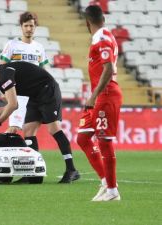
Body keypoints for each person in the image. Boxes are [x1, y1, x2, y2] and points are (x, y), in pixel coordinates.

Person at [0, 56, 80, 183]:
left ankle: (71, 170)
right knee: (28, 131)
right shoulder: (0, 80)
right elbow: (13, 104)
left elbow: (12, 105)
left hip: (47, 90)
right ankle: (31, 174)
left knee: (54, 129)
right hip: (35, 96)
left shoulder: (5, 73)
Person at [76, 5, 122, 201]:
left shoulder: (102, 39)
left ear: (87, 22)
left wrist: (93, 95)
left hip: (106, 94)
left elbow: (108, 68)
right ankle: (106, 182)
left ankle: (112, 191)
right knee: (83, 138)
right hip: (99, 96)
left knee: (103, 141)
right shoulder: (102, 36)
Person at [0, 11, 49, 134]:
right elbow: (2, 68)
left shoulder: (40, 48)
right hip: (18, 93)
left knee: (30, 130)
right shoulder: (12, 45)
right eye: (26, 25)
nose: (29, 29)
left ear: (35, 27)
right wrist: (4, 90)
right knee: (14, 128)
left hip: (34, 96)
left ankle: (30, 152)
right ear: (21, 27)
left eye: (31, 26)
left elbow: (44, 73)